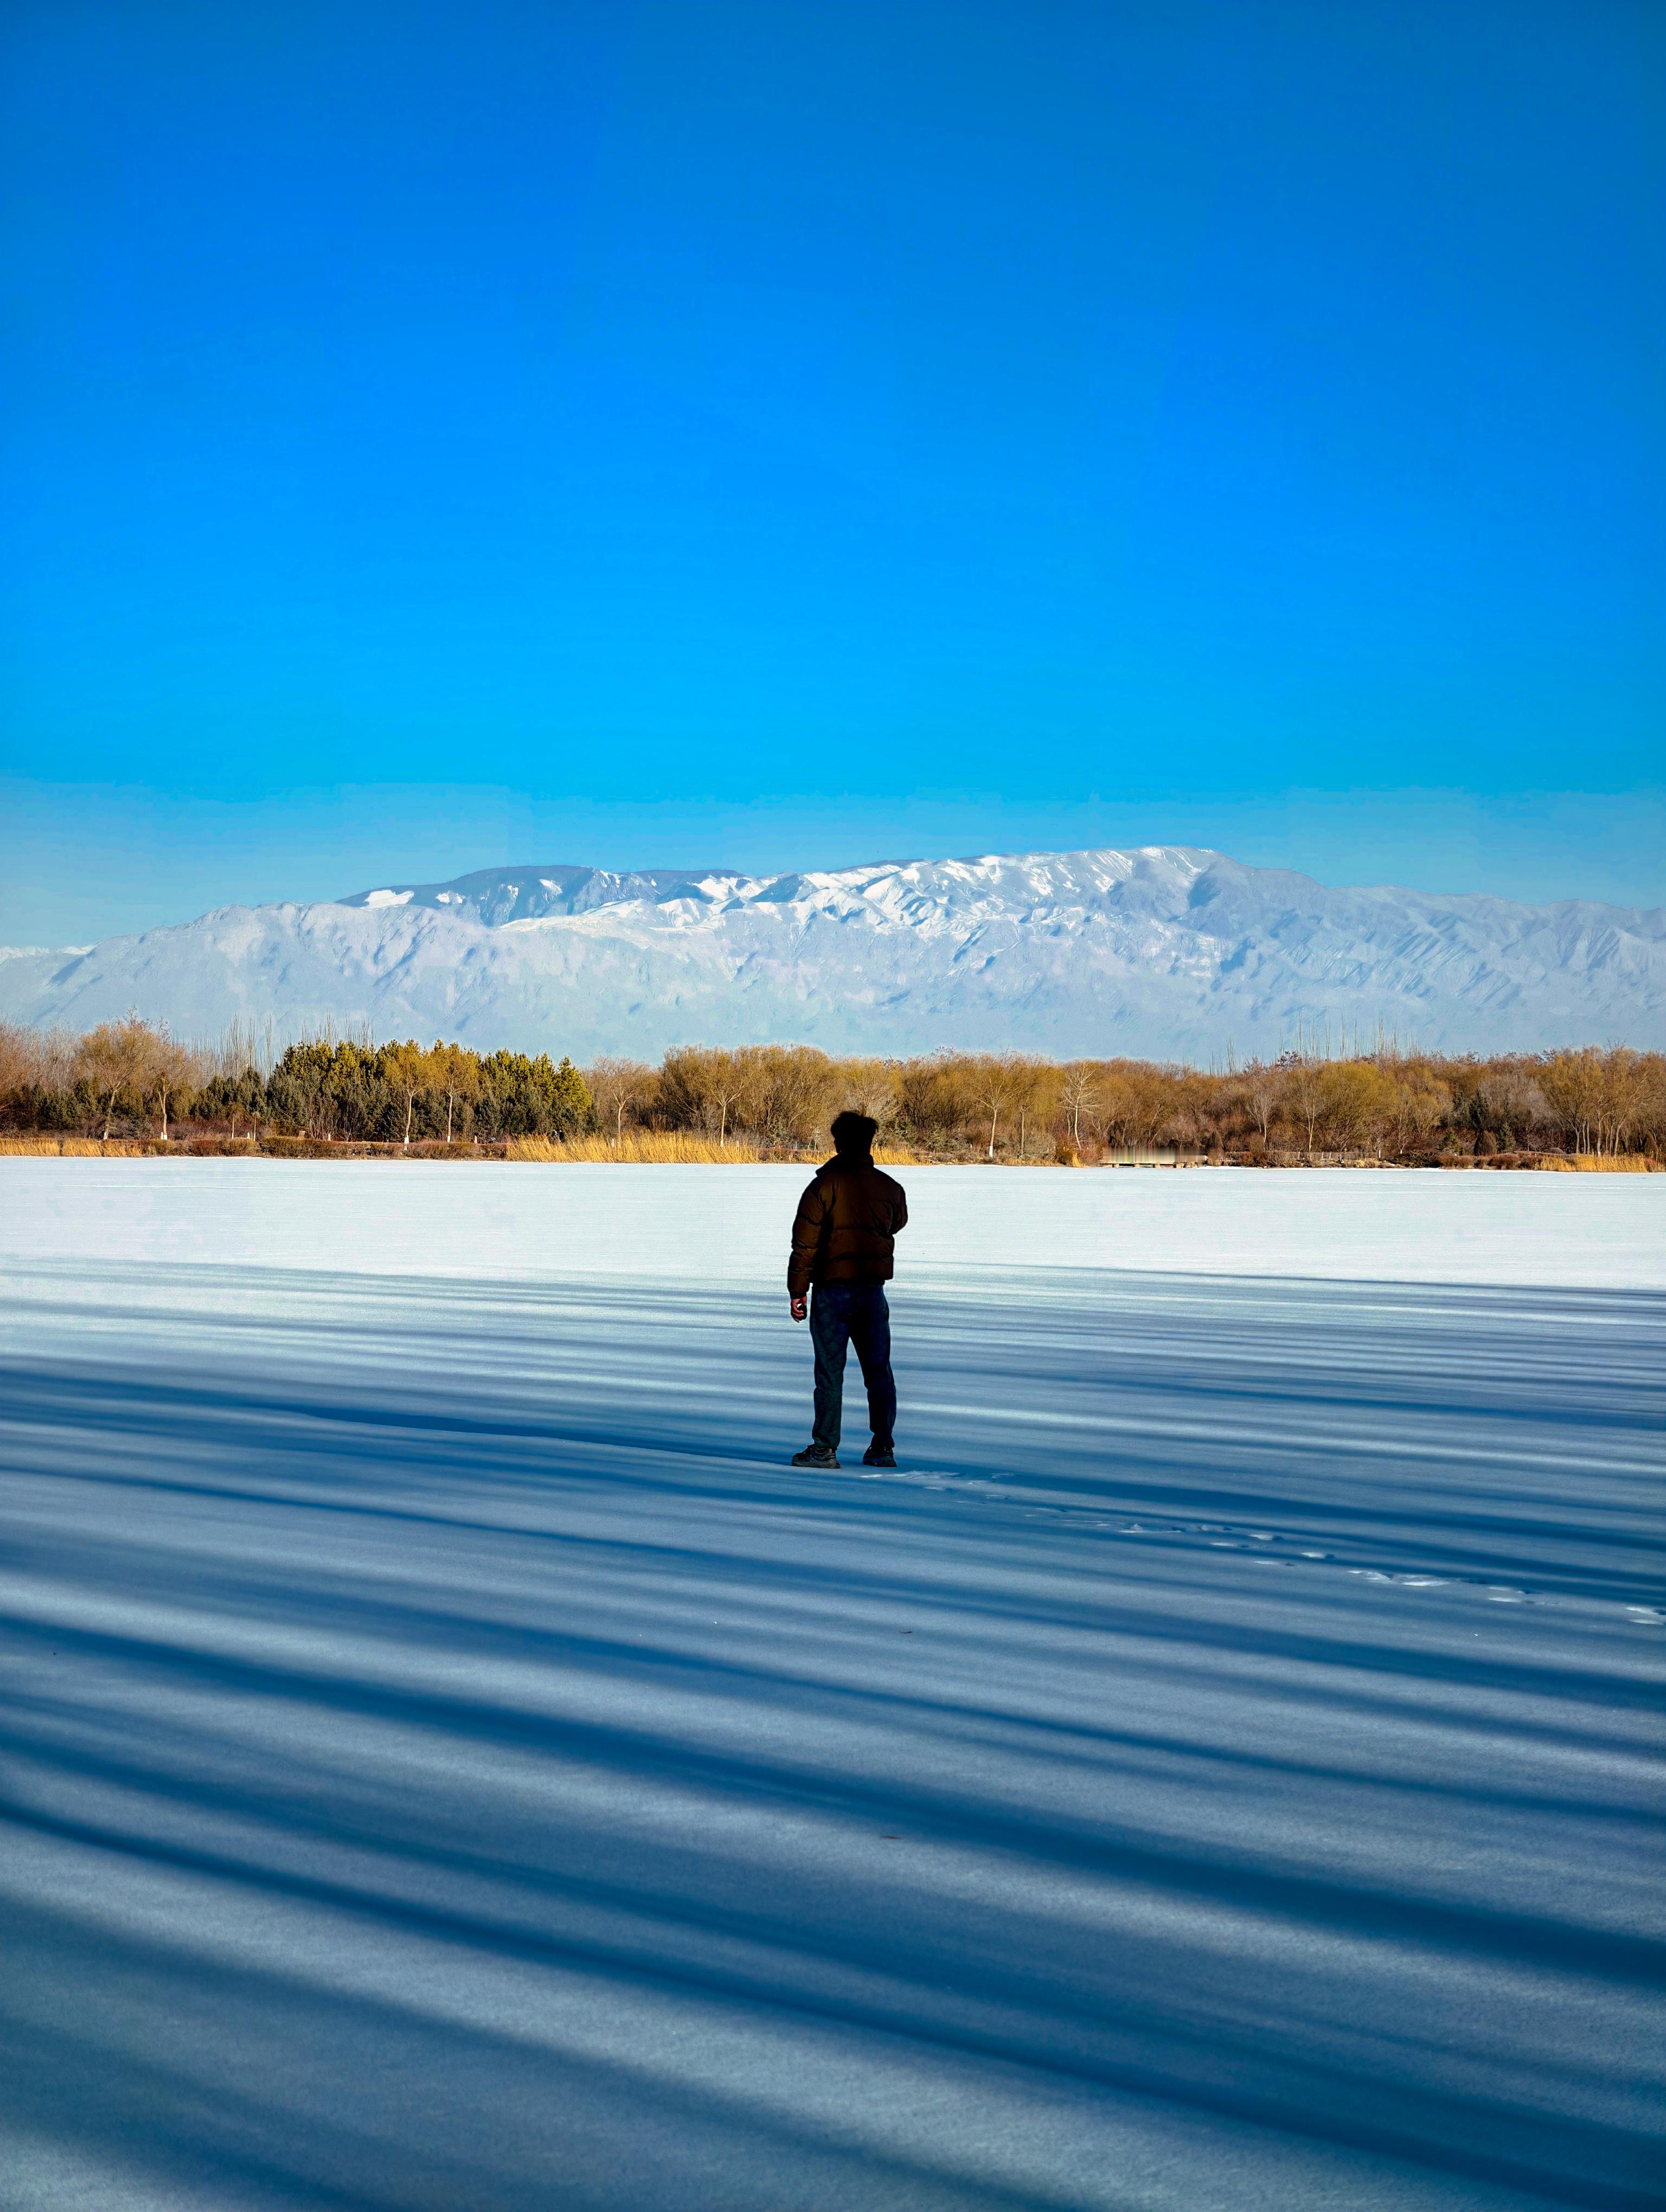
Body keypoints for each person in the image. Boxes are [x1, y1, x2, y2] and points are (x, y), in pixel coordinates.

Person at [787, 1110, 908, 1469]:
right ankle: (883, 1447)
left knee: (829, 1372)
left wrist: (797, 1291)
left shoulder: (821, 1188)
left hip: (831, 1292)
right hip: (872, 1293)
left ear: (837, 1143)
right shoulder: (889, 1187)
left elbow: (804, 1245)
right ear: (870, 1144)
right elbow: (896, 1223)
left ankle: (825, 1449)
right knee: (879, 1371)